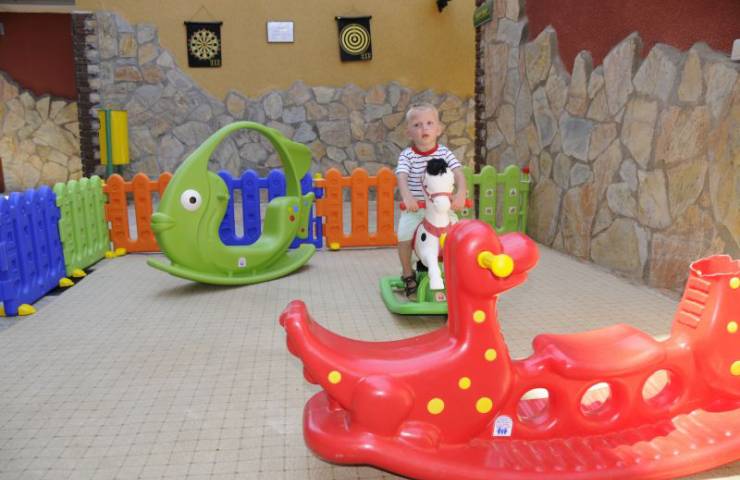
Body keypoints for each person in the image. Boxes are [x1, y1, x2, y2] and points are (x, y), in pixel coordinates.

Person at [395, 103, 467, 296]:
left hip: (441, 209)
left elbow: (459, 173)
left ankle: (458, 271)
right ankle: (407, 273)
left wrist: (461, 193)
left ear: (438, 129)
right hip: (416, 209)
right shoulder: (407, 156)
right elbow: (401, 176)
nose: (424, 128)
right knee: (403, 235)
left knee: (458, 234)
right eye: (417, 125)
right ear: (409, 133)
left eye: (429, 123)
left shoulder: (444, 153)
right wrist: (408, 197)